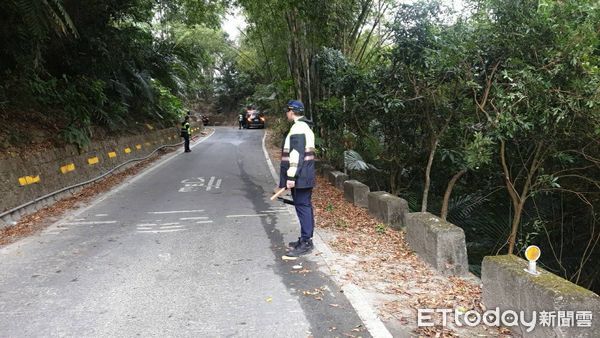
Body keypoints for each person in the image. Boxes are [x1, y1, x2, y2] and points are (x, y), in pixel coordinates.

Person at [280, 100, 316, 257]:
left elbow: (296, 155)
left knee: (303, 207)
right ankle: (305, 239)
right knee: (304, 206)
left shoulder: (297, 128)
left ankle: (306, 242)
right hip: (305, 174)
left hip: (300, 176)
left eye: (287, 111)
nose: (286, 114)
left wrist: (291, 176)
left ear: (291, 111)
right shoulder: (304, 126)